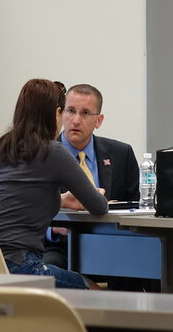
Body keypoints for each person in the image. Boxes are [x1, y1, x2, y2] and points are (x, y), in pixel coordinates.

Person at [0, 78, 108, 289]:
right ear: (56, 113)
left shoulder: (1, 147)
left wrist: (62, 200)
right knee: (94, 289)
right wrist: (98, 193)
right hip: (22, 265)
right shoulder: (52, 151)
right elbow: (99, 206)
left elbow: (14, 197)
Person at [44, 84, 156, 292]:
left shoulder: (121, 154)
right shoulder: (43, 154)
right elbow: (26, 210)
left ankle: (122, 323)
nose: (76, 120)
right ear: (60, 114)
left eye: (85, 113)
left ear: (99, 120)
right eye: (70, 111)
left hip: (110, 244)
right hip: (60, 247)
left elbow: (138, 209)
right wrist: (51, 230)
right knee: (49, 269)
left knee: (139, 263)